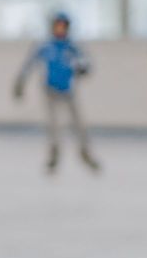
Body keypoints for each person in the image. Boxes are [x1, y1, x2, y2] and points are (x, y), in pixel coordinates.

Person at [14, 12, 101, 174]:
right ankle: (54, 154)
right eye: (57, 26)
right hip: (50, 91)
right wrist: (20, 83)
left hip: (68, 90)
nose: (60, 29)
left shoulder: (71, 46)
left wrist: (83, 68)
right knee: (53, 125)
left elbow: (86, 61)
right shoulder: (45, 46)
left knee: (79, 123)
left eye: (63, 26)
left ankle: (85, 152)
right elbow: (29, 63)